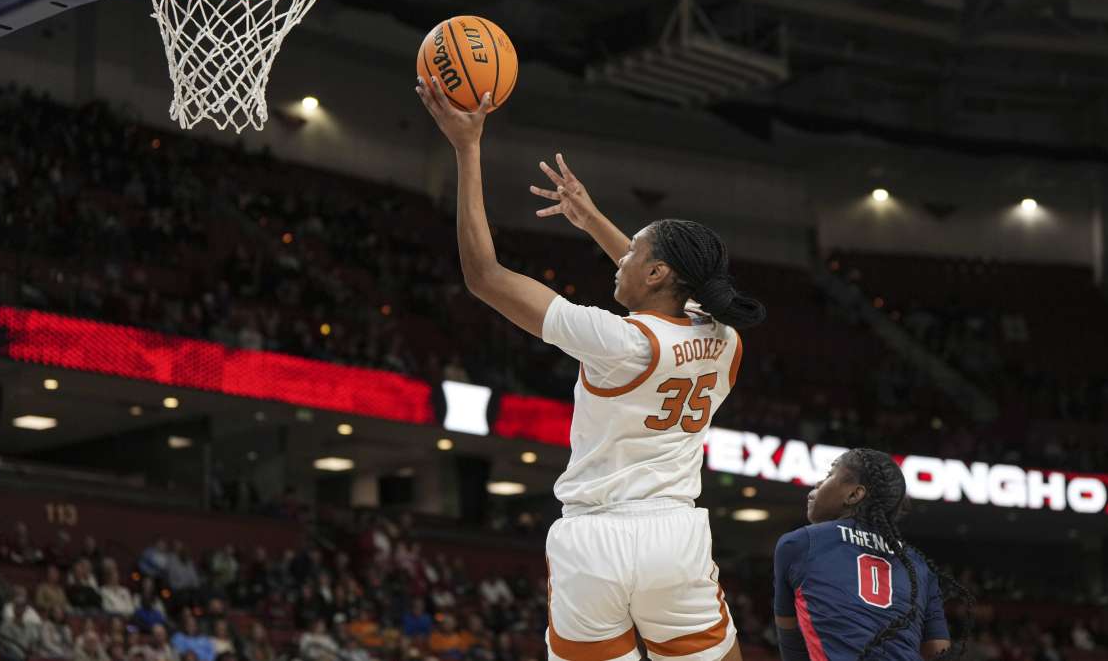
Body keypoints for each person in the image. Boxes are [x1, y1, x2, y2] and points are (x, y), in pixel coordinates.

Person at [417, 77, 764, 661]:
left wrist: (466, 148)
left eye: (634, 252)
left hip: (594, 541)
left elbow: (484, 276)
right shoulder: (725, 337)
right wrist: (593, 219)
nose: (621, 256)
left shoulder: (616, 340)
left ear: (657, 275)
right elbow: (673, 285)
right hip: (674, 537)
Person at [772, 449, 974, 661]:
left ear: (854, 495)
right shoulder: (919, 566)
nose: (818, 484)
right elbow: (937, 651)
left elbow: (791, 642)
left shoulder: (800, 543)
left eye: (829, 475)